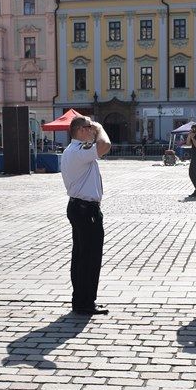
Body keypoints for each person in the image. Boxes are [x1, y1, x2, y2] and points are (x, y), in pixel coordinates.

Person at [60, 115, 111, 316]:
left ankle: (80, 299)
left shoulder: (74, 150)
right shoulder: (79, 150)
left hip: (80, 208)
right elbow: (105, 144)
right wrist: (99, 128)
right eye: (89, 127)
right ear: (81, 130)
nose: (92, 130)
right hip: (85, 210)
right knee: (89, 258)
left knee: (81, 256)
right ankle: (85, 302)